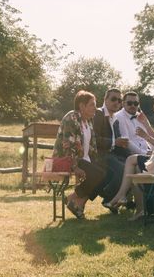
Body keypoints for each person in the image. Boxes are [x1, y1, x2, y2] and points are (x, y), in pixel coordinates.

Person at [107, 84, 154, 221]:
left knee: (132, 160)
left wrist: (146, 136)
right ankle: (141, 205)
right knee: (136, 165)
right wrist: (147, 126)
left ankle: (123, 197)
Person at [51, 90, 106, 219]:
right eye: (92, 104)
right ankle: (74, 200)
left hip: (83, 160)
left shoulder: (88, 122)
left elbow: (92, 148)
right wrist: (75, 167)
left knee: (105, 174)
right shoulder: (72, 118)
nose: (95, 108)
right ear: (82, 106)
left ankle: (76, 201)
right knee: (99, 174)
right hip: (67, 160)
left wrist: (96, 163)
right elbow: (67, 145)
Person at [92, 88, 127, 207]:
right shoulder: (98, 114)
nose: (117, 102)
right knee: (123, 168)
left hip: (111, 154)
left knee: (133, 163)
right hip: (99, 154)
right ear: (105, 99)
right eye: (113, 99)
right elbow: (94, 139)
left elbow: (117, 144)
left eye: (119, 100)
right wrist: (114, 142)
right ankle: (108, 196)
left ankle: (120, 198)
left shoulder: (115, 119)